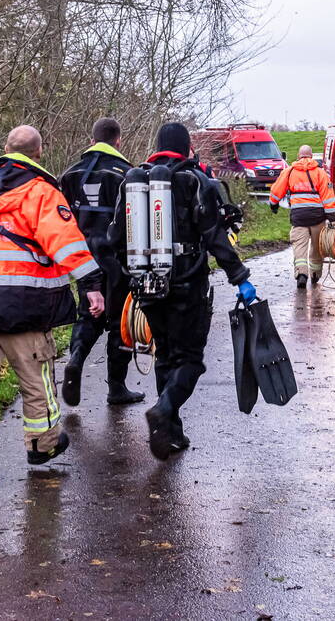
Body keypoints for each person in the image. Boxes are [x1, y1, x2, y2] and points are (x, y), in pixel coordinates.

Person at [0, 125, 106, 487]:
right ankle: (42, 445)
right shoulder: (41, 191)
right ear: (38, 153)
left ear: (6, 147)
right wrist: (91, 285)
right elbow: (66, 242)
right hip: (25, 305)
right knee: (36, 375)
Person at [110, 122, 255, 460]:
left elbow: (115, 238)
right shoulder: (196, 180)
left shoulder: (134, 182)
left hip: (146, 284)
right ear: (188, 147)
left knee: (165, 354)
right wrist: (240, 277)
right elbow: (215, 238)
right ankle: (165, 410)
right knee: (189, 359)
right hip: (187, 284)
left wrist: (130, 273)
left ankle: (170, 433)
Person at [58, 118, 144, 407]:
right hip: (117, 259)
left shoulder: (70, 174)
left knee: (88, 313)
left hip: (83, 259)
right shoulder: (127, 175)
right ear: (118, 141)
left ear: (92, 139)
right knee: (121, 321)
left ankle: (76, 359)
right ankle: (116, 387)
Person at [268, 145, 335, 288]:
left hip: (298, 217)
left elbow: (276, 190)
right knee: (317, 247)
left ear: (298, 156)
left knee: (299, 247)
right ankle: (315, 274)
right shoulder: (321, 173)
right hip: (317, 216)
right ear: (311, 156)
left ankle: (302, 274)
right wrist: (331, 215)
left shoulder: (289, 172)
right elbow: (328, 196)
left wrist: (273, 204)